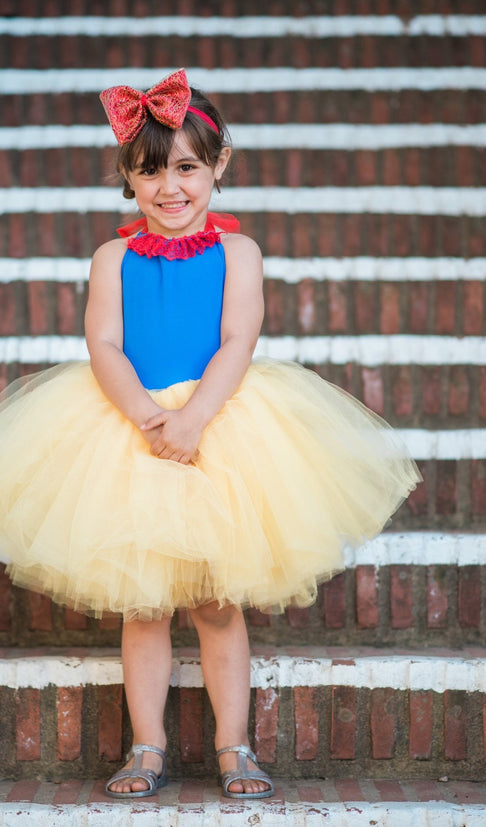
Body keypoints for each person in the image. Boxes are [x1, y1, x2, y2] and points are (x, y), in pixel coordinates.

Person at [0, 70, 421, 799]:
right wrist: (144, 415)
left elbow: (238, 339)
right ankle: (146, 746)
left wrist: (193, 419)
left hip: (222, 422)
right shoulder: (112, 259)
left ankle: (234, 745)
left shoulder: (241, 253)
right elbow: (103, 344)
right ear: (127, 178)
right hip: (130, 427)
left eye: (187, 167)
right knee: (143, 604)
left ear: (218, 165)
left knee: (219, 601)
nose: (170, 187)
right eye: (150, 170)